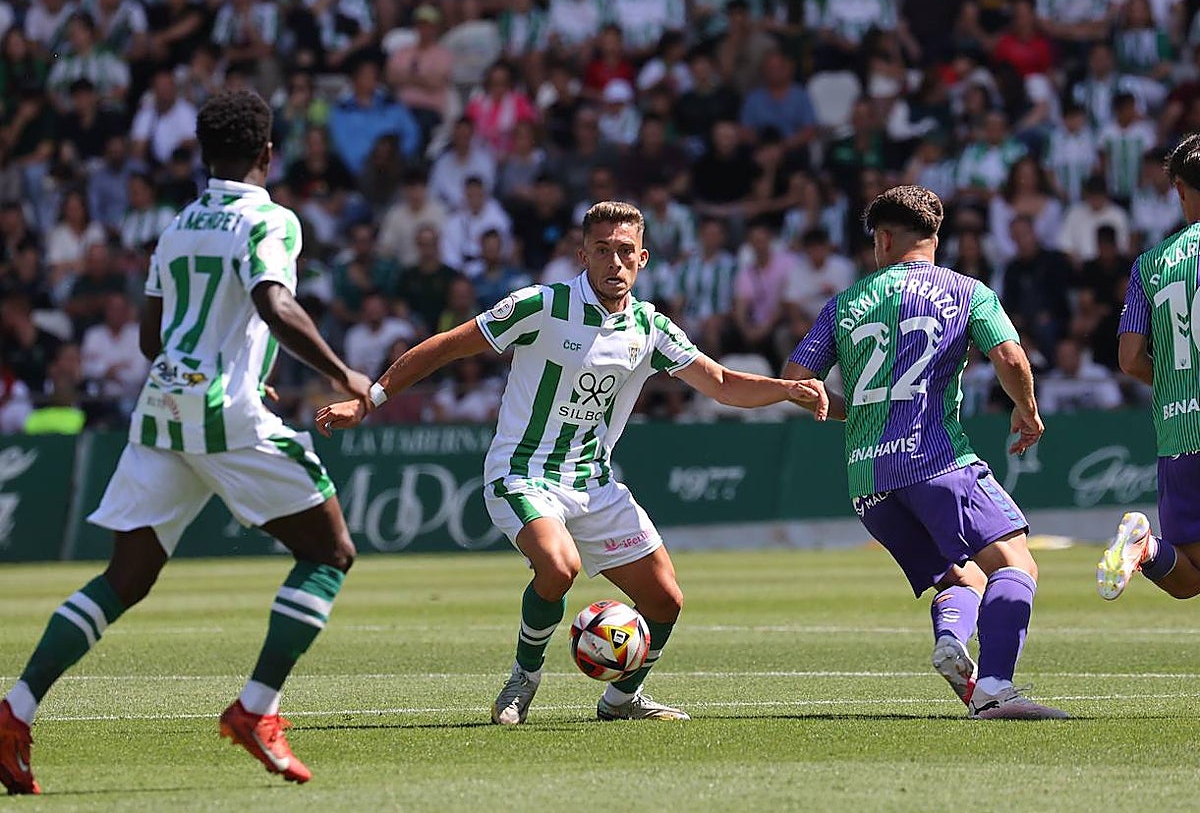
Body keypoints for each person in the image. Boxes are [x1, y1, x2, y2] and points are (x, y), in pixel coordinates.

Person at [315, 200, 828, 724]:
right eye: (602, 251)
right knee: (559, 566)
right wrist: (369, 400)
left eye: (625, 251)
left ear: (643, 259)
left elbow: (720, 383)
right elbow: (447, 346)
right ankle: (523, 679)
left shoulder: (650, 327)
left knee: (666, 603)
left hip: (594, 484)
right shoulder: (540, 305)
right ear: (582, 255)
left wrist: (786, 390)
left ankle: (621, 700)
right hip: (521, 473)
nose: (614, 262)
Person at [0, 90, 373, 795]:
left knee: (124, 580)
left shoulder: (174, 228)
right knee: (328, 554)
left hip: (162, 410)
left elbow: (151, 338)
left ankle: (13, 713)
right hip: (223, 413)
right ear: (268, 153)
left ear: (204, 154)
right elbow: (275, 302)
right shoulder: (272, 219)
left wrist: (229, 356)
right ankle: (255, 709)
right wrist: (341, 371)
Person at [785, 185, 1068, 720]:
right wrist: (1027, 409)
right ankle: (997, 689)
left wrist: (861, 410)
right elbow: (1008, 355)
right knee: (1015, 560)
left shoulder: (844, 303)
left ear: (885, 239)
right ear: (934, 237)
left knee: (961, 577)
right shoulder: (966, 291)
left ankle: (951, 642)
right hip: (935, 460)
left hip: (868, 483)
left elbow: (798, 382)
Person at [1098, 134, 1200, 603]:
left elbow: (1130, 359)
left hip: (1178, 431)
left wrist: (1181, 381)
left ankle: (1147, 546)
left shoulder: (1151, 263)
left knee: (1190, 578)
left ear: (1179, 188)